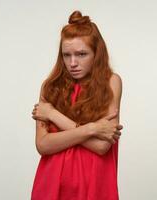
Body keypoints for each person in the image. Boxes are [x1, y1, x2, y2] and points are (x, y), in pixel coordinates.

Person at [31, 10, 123, 200]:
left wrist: (53, 115)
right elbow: (43, 145)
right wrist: (91, 129)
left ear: (96, 53)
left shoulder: (111, 82)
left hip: (95, 186)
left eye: (81, 54)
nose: (73, 63)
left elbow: (100, 146)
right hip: (51, 187)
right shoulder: (49, 87)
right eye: (66, 55)